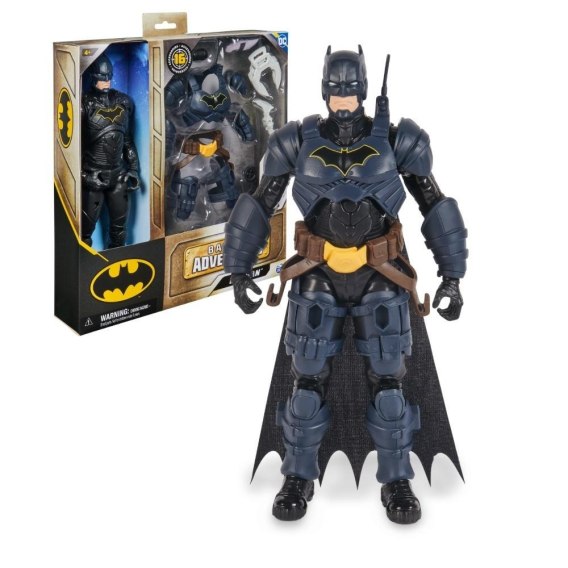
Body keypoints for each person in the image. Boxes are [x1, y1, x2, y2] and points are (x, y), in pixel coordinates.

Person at [224, 46, 468, 524]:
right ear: (323, 90)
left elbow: (434, 202)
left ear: (364, 90)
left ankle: (396, 479)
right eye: (335, 91)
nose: (342, 100)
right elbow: (261, 201)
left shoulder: (397, 139)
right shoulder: (296, 140)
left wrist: (452, 275)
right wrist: (238, 268)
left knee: (389, 380)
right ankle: (298, 476)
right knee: (307, 378)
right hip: (317, 275)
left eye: (350, 91)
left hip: (381, 275)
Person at [81, 54, 140, 248]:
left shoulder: (123, 102)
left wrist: (133, 170)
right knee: (84, 234)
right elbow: (71, 151)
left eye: (109, 77)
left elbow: (127, 141)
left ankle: (118, 263)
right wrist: (85, 177)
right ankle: (86, 265)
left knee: (119, 232)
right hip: (94, 175)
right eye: (101, 77)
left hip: (118, 175)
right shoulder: (84, 105)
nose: (106, 81)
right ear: (92, 77)